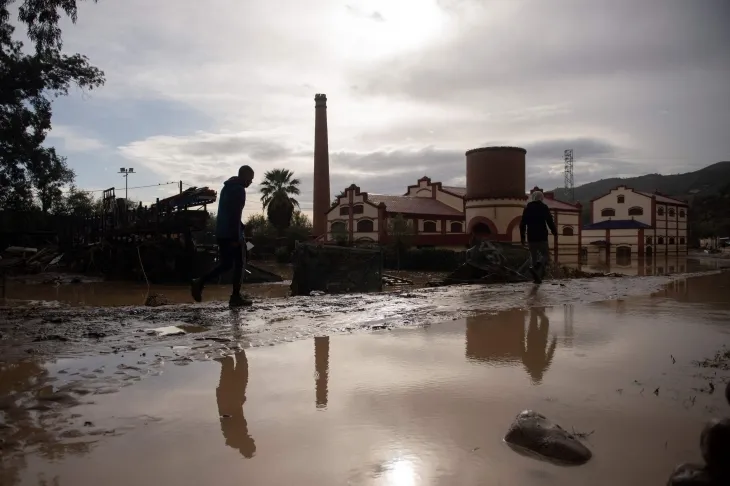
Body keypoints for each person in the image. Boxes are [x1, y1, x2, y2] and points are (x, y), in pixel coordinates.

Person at [191, 165, 254, 307]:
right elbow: (234, 214)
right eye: (250, 179)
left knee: (227, 264)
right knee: (239, 263)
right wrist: (236, 237)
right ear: (244, 176)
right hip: (231, 233)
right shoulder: (239, 190)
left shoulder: (227, 188)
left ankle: (200, 282)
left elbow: (228, 212)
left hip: (221, 231)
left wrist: (240, 227)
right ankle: (235, 297)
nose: (250, 183)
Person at [519, 191, 557, 284]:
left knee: (533, 257)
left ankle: (536, 278)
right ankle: (539, 264)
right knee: (545, 255)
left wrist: (523, 238)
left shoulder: (527, 208)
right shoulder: (544, 207)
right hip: (542, 236)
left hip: (531, 237)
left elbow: (522, 224)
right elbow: (549, 221)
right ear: (541, 198)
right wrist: (554, 231)